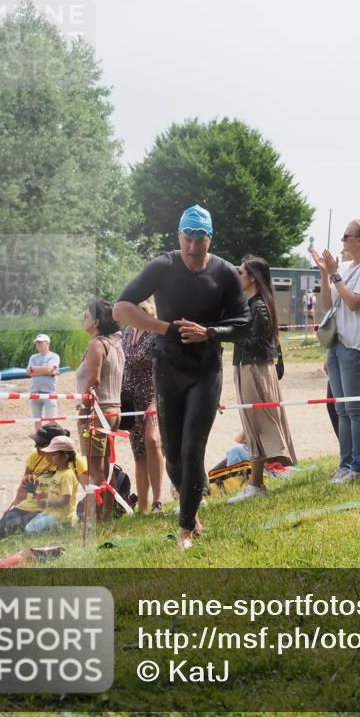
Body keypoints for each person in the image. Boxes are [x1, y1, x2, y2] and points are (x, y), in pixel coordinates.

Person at [114, 204, 250, 551]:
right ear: (179, 236)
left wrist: (209, 332)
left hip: (206, 370)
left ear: (210, 240)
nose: (192, 248)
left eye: (200, 240)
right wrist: (164, 329)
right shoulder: (164, 265)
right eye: (187, 239)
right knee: (172, 454)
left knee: (193, 448)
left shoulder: (224, 273)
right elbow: (121, 308)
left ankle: (185, 528)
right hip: (168, 368)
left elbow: (243, 324)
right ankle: (193, 505)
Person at [311, 218, 360, 483]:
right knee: (341, 409)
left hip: (355, 345)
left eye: (346, 236)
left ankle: (358, 465)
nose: (342, 241)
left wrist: (336, 274)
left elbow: (354, 303)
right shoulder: (343, 267)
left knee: (354, 408)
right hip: (337, 343)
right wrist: (324, 272)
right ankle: (345, 464)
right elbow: (328, 303)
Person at [228, 255, 297, 503]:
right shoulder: (254, 304)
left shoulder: (258, 307)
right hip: (248, 366)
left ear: (253, 277)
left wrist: (228, 333)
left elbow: (257, 342)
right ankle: (256, 483)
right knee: (252, 425)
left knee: (256, 425)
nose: (238, 275)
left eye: (241, 272)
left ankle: (256, 484)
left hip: (254, 368)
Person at [0, 424, 87, 541]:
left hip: (52, 511)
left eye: (40, 443)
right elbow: (24, 486)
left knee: (21, 536)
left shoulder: (74, 460)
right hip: (28, 507)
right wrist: (12, 511)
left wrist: (83, 516)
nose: (35, 445)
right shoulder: (34, 456)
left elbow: (89, 490)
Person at [121, 298, 165, 514]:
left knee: (153, 441)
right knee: (139, 452)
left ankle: (158, 500)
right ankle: (144, 508)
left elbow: (162, 369)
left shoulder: (156, 333)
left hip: (152, 396)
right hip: (131, 399)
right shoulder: (128, 333)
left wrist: (156, 400)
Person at [76, 300, 124, 492]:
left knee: (96, 468)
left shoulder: (97, 344)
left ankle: (98, 515)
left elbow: (94, 380)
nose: (83, 318)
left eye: (87, 315)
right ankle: (107, 514)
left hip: (98, 410)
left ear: (96, 322)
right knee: (106, 466)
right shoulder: (115, 344)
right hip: (113, 409)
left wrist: (84, 410)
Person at [26, 334, 60, 430]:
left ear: (47, 343)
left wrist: (36, 370)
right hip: (34, 392)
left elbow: (49, 369)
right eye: (37, 342)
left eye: (41, 342)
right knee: (37, 420)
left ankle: (54, 440)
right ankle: (39, 441)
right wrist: (48, 371)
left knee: (52, 420)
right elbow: (29, 372)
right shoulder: (33, 357)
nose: (38, 344)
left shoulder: (54, 356)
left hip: (49, 392)